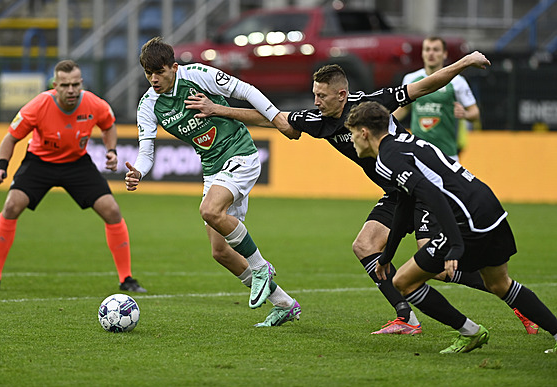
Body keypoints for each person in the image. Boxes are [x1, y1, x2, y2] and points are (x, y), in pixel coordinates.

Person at [185, 52, 537, 335]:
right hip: (395, 192)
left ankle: (512, 298)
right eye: (314, 95)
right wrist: (219, 109)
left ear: (341, 94)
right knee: (366, 246)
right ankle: (405, 317)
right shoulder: (319, 119)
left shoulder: (371, 104)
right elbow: (275, 119)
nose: (315, 101)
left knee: (441, 269)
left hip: (420, 188)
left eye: (321, 96)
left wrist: (462, 63)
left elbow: (423, 87)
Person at [345, 100, 557, 354]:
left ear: (364, 132)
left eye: (353, 133)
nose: (352, 140)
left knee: (404, 281)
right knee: (500, 284)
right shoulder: (404, 143)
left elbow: (431, 194)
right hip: (488, 206)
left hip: (467, 219)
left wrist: (455, 244)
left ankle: (470, 332)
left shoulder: (387, 159)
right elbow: (404, 204)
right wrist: (387, 255)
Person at [124, 37, 300, 327]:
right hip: (212, 169)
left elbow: (246, 90)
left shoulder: (197, 75)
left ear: (174, 67)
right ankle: (283, 304)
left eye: (160, 72)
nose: (154, 79)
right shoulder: (149, 105)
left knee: (209, 210)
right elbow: (146, 152)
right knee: (220, 252)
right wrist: (139, 172)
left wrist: (277, 118)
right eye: (148, 74)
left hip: (240, 153)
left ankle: (260, 268)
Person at [0, 60, 146, 293]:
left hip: (76, 163)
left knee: (112, 211)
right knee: (12, 206)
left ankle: (126, 279)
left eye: (75, 84)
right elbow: (11, 137)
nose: (71, 90)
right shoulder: (37, 106)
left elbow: (108, 125)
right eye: (65, 85)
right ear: (54, 85)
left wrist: (111, 151)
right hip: (40, 163)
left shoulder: (94, 104)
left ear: (81, 83)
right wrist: (1, 166)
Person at [394, 36, 481, 161]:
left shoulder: (457, 81)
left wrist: (465, 114)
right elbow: (405, 108)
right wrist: (384, 121)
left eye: (436, 50)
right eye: (427, 49)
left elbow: (475, 113)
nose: (431, 53)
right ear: (422, 53)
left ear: (444, 54)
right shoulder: (410, 79)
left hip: (447, 154)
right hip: (418, 154)